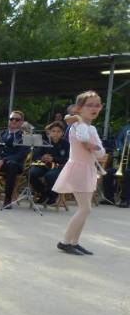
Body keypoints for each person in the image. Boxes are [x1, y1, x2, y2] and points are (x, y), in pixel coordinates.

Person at [53, 91, 105, 256]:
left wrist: (94, 146)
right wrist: (79, 120)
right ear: (79, 108)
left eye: (97, 105)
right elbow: (83, 139)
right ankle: (65, 242)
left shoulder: (93, 128)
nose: (94, 108)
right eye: (89, 105)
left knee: (85, 209)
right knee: (85, 209)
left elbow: (101, 153)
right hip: (78, 169)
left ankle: (74, 242)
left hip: (89, 169)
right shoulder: (76, 126)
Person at [30, 122, 69, 206]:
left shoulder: (66, 144)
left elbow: (67, 159)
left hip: (59, 167)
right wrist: (42, 157)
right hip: (44, 166)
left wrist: (53, 159)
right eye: (53, 131)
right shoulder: (44, 142)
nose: (55, 133)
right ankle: (43, 192)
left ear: (62, 133)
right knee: (31, 173)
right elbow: (35, 155)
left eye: (58, 131)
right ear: (49, 132)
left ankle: (53, 196)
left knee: (50, 176)